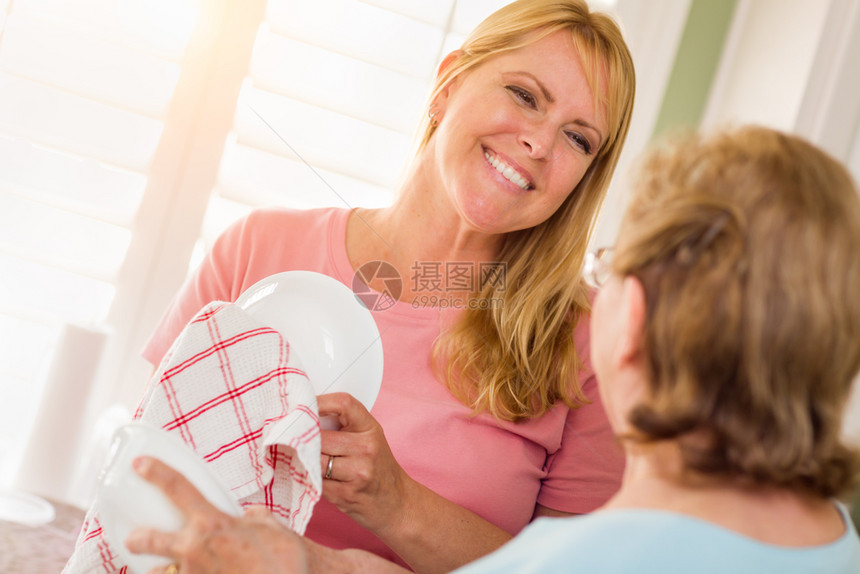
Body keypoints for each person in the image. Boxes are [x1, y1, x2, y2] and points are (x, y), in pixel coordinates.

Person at [127, 124, 860, 573]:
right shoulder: (834, 544)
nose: (540, 142)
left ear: (627, 319)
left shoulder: (584, 556)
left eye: (580, 137)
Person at [133, 0, 636, 572]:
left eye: (578, 138)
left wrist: (396, 503)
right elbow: (144, 480)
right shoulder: (256, 251)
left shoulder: (590, 345)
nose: (540, 144)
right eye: (524, 95)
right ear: (448, 83)